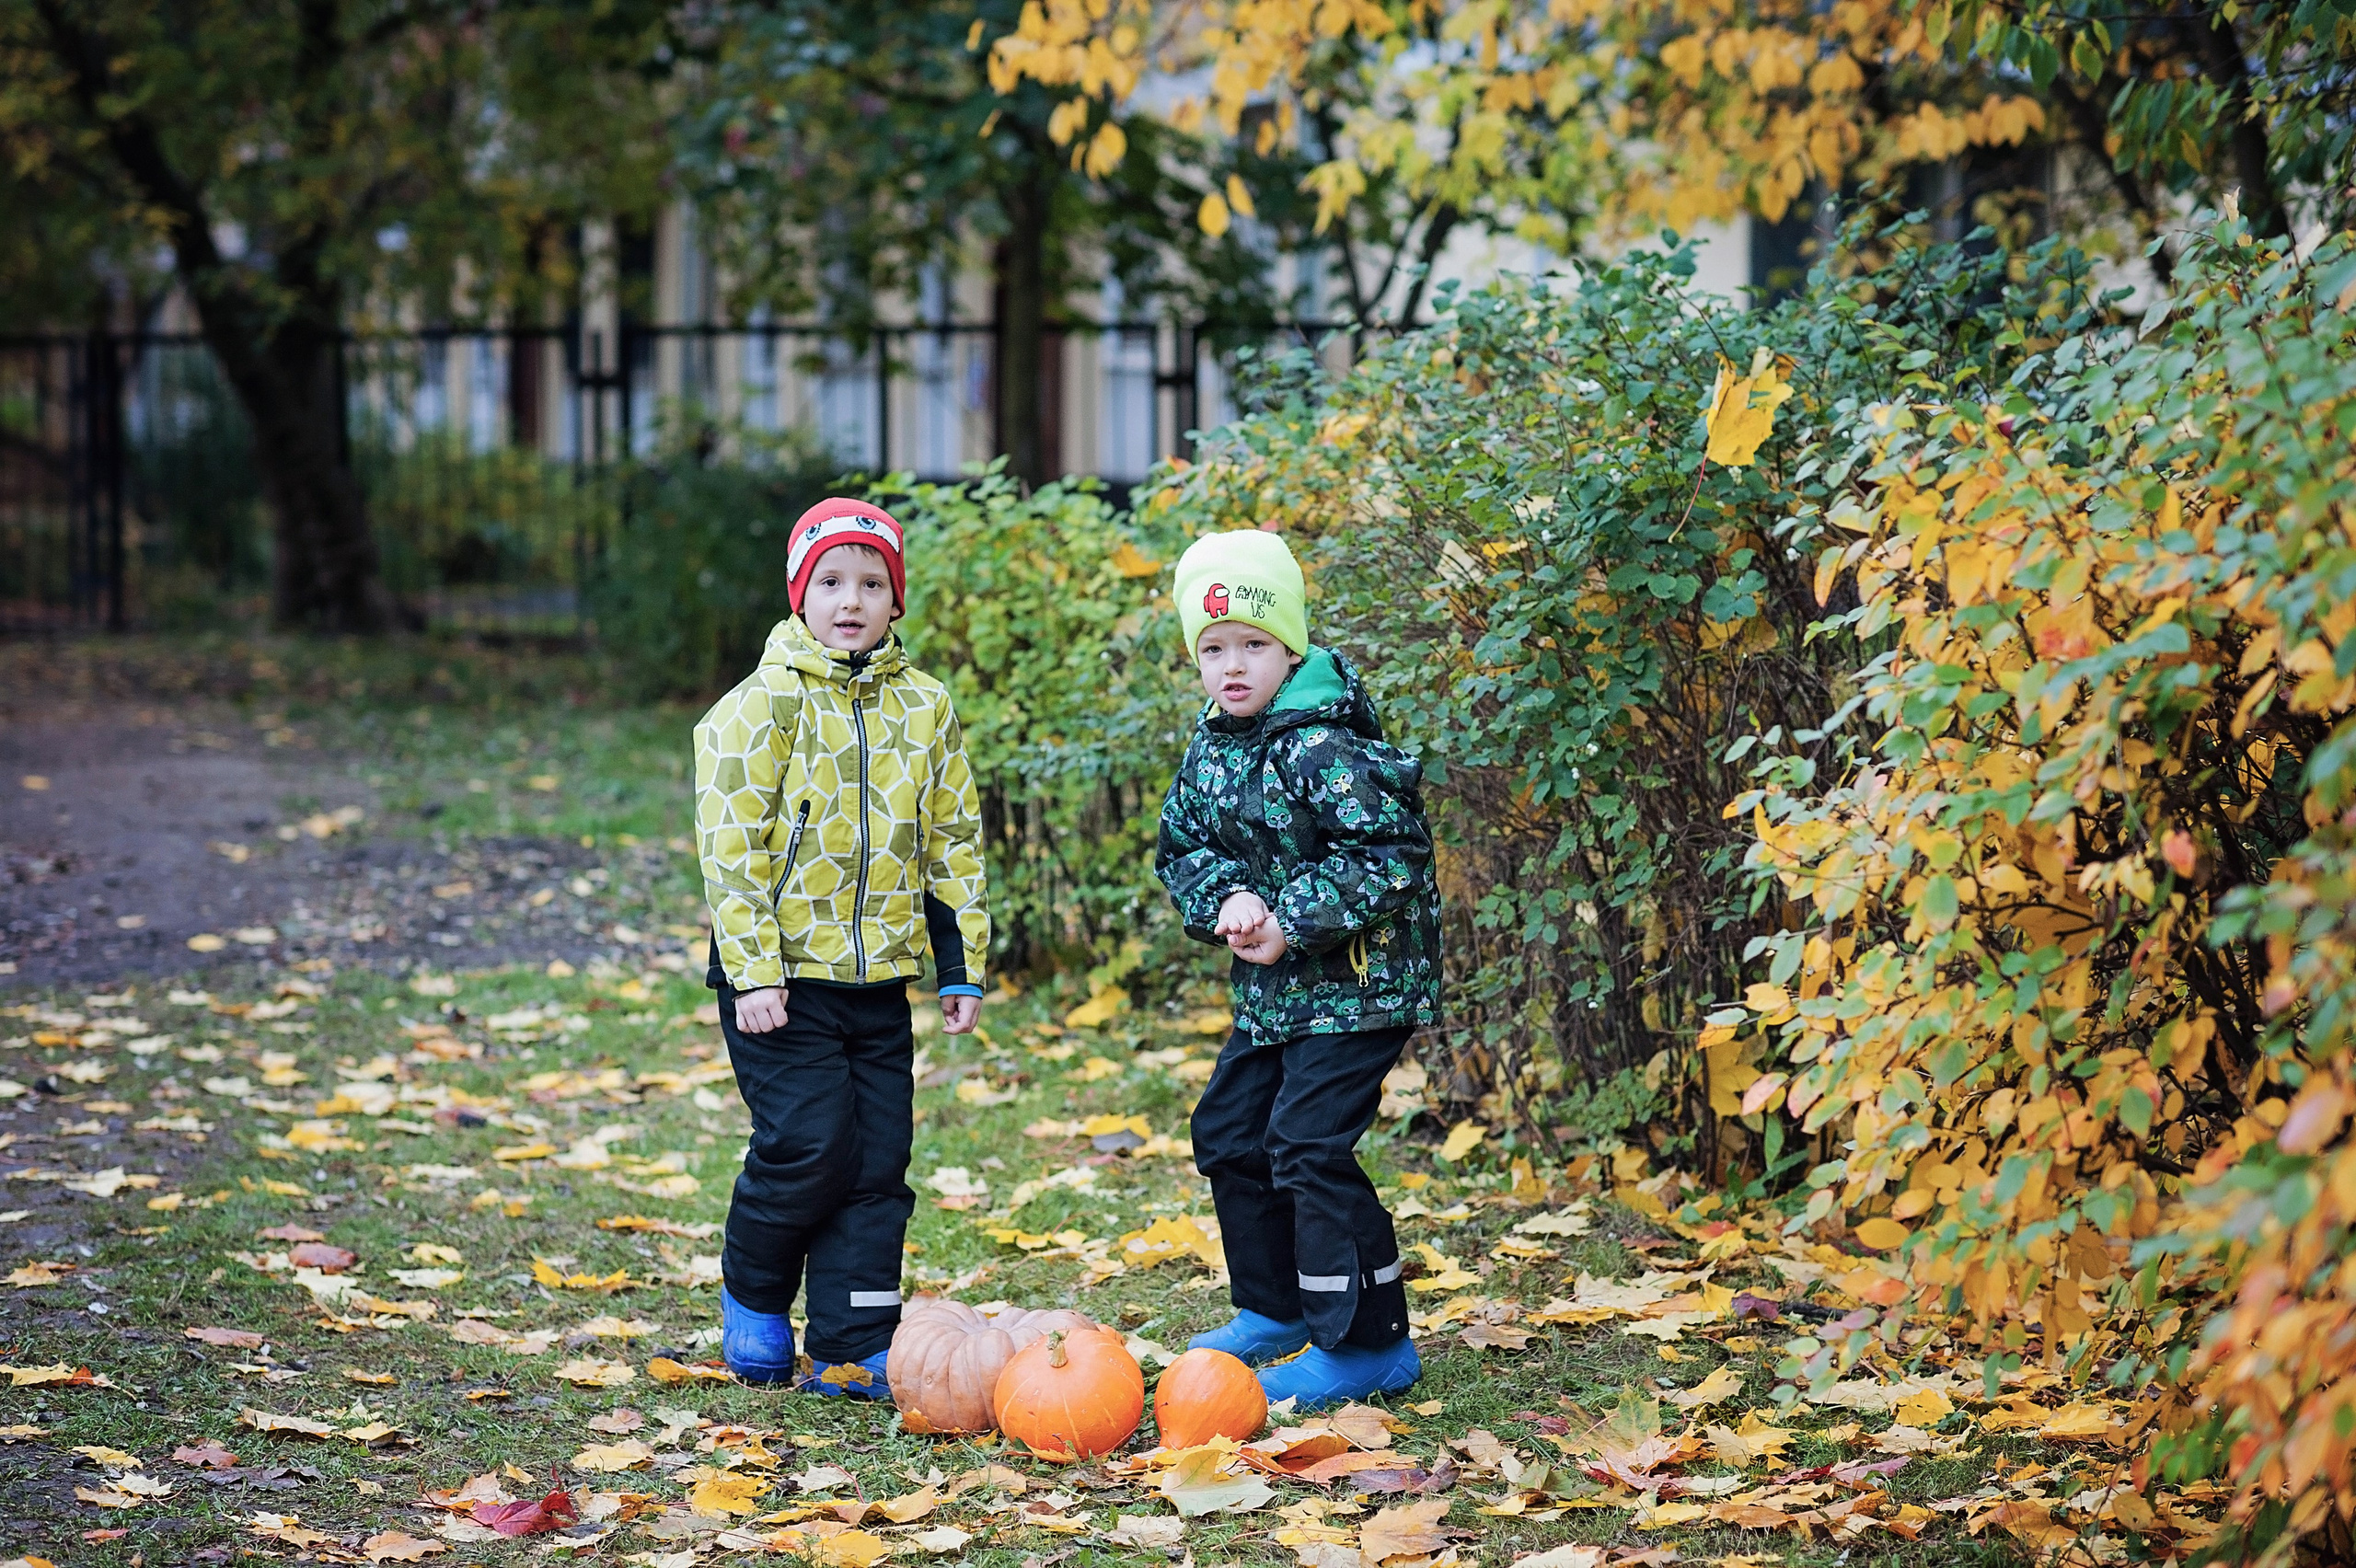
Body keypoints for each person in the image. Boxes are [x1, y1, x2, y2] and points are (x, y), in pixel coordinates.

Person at [693, 497, 988, 1395]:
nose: (850, 599)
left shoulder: (924, 707)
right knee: (808, 1143)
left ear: (895, 601)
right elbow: (729, 845)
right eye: (830, 582)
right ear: (799, 595)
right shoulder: (760, 706)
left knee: (876, 1159)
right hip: (778, 984)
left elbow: (952, 837)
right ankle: (753, 1294)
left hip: (876, 981)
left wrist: (960, 962)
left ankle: (852, 1339)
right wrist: (752, 970)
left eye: (871, 583)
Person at [1156, 529, 1441, 1408]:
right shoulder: (1213, 747)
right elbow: (1182, 847)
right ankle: (1278, 1308)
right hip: (1278, 995)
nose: (1232, 665)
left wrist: (1294, 918)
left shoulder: (1324, 745)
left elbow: (1393, 850)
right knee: (1230, 1134)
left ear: (1292, 647)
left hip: (1361, 985)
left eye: (1253, 644)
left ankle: (1370, 1344)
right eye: (1213, 649)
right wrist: (1229, 899)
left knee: (1308, 1149)